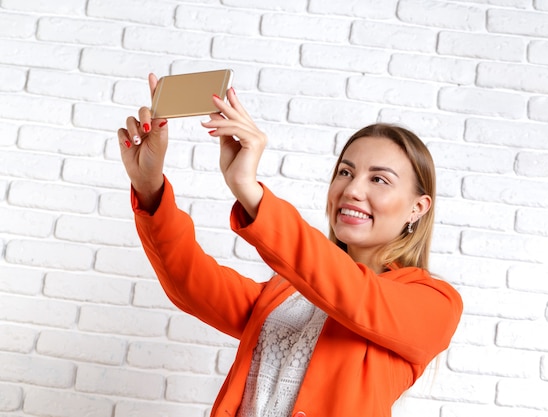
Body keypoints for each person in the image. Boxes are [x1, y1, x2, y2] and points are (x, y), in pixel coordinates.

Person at [118, 73, 463, 417]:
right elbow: (192, 282)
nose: (353, 190)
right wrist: (149, 188)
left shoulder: (435, 303)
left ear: (418, 208)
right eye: (345, 172)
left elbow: (355, 293)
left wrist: (250, 191)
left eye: (379, 179)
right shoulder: (287, 293)